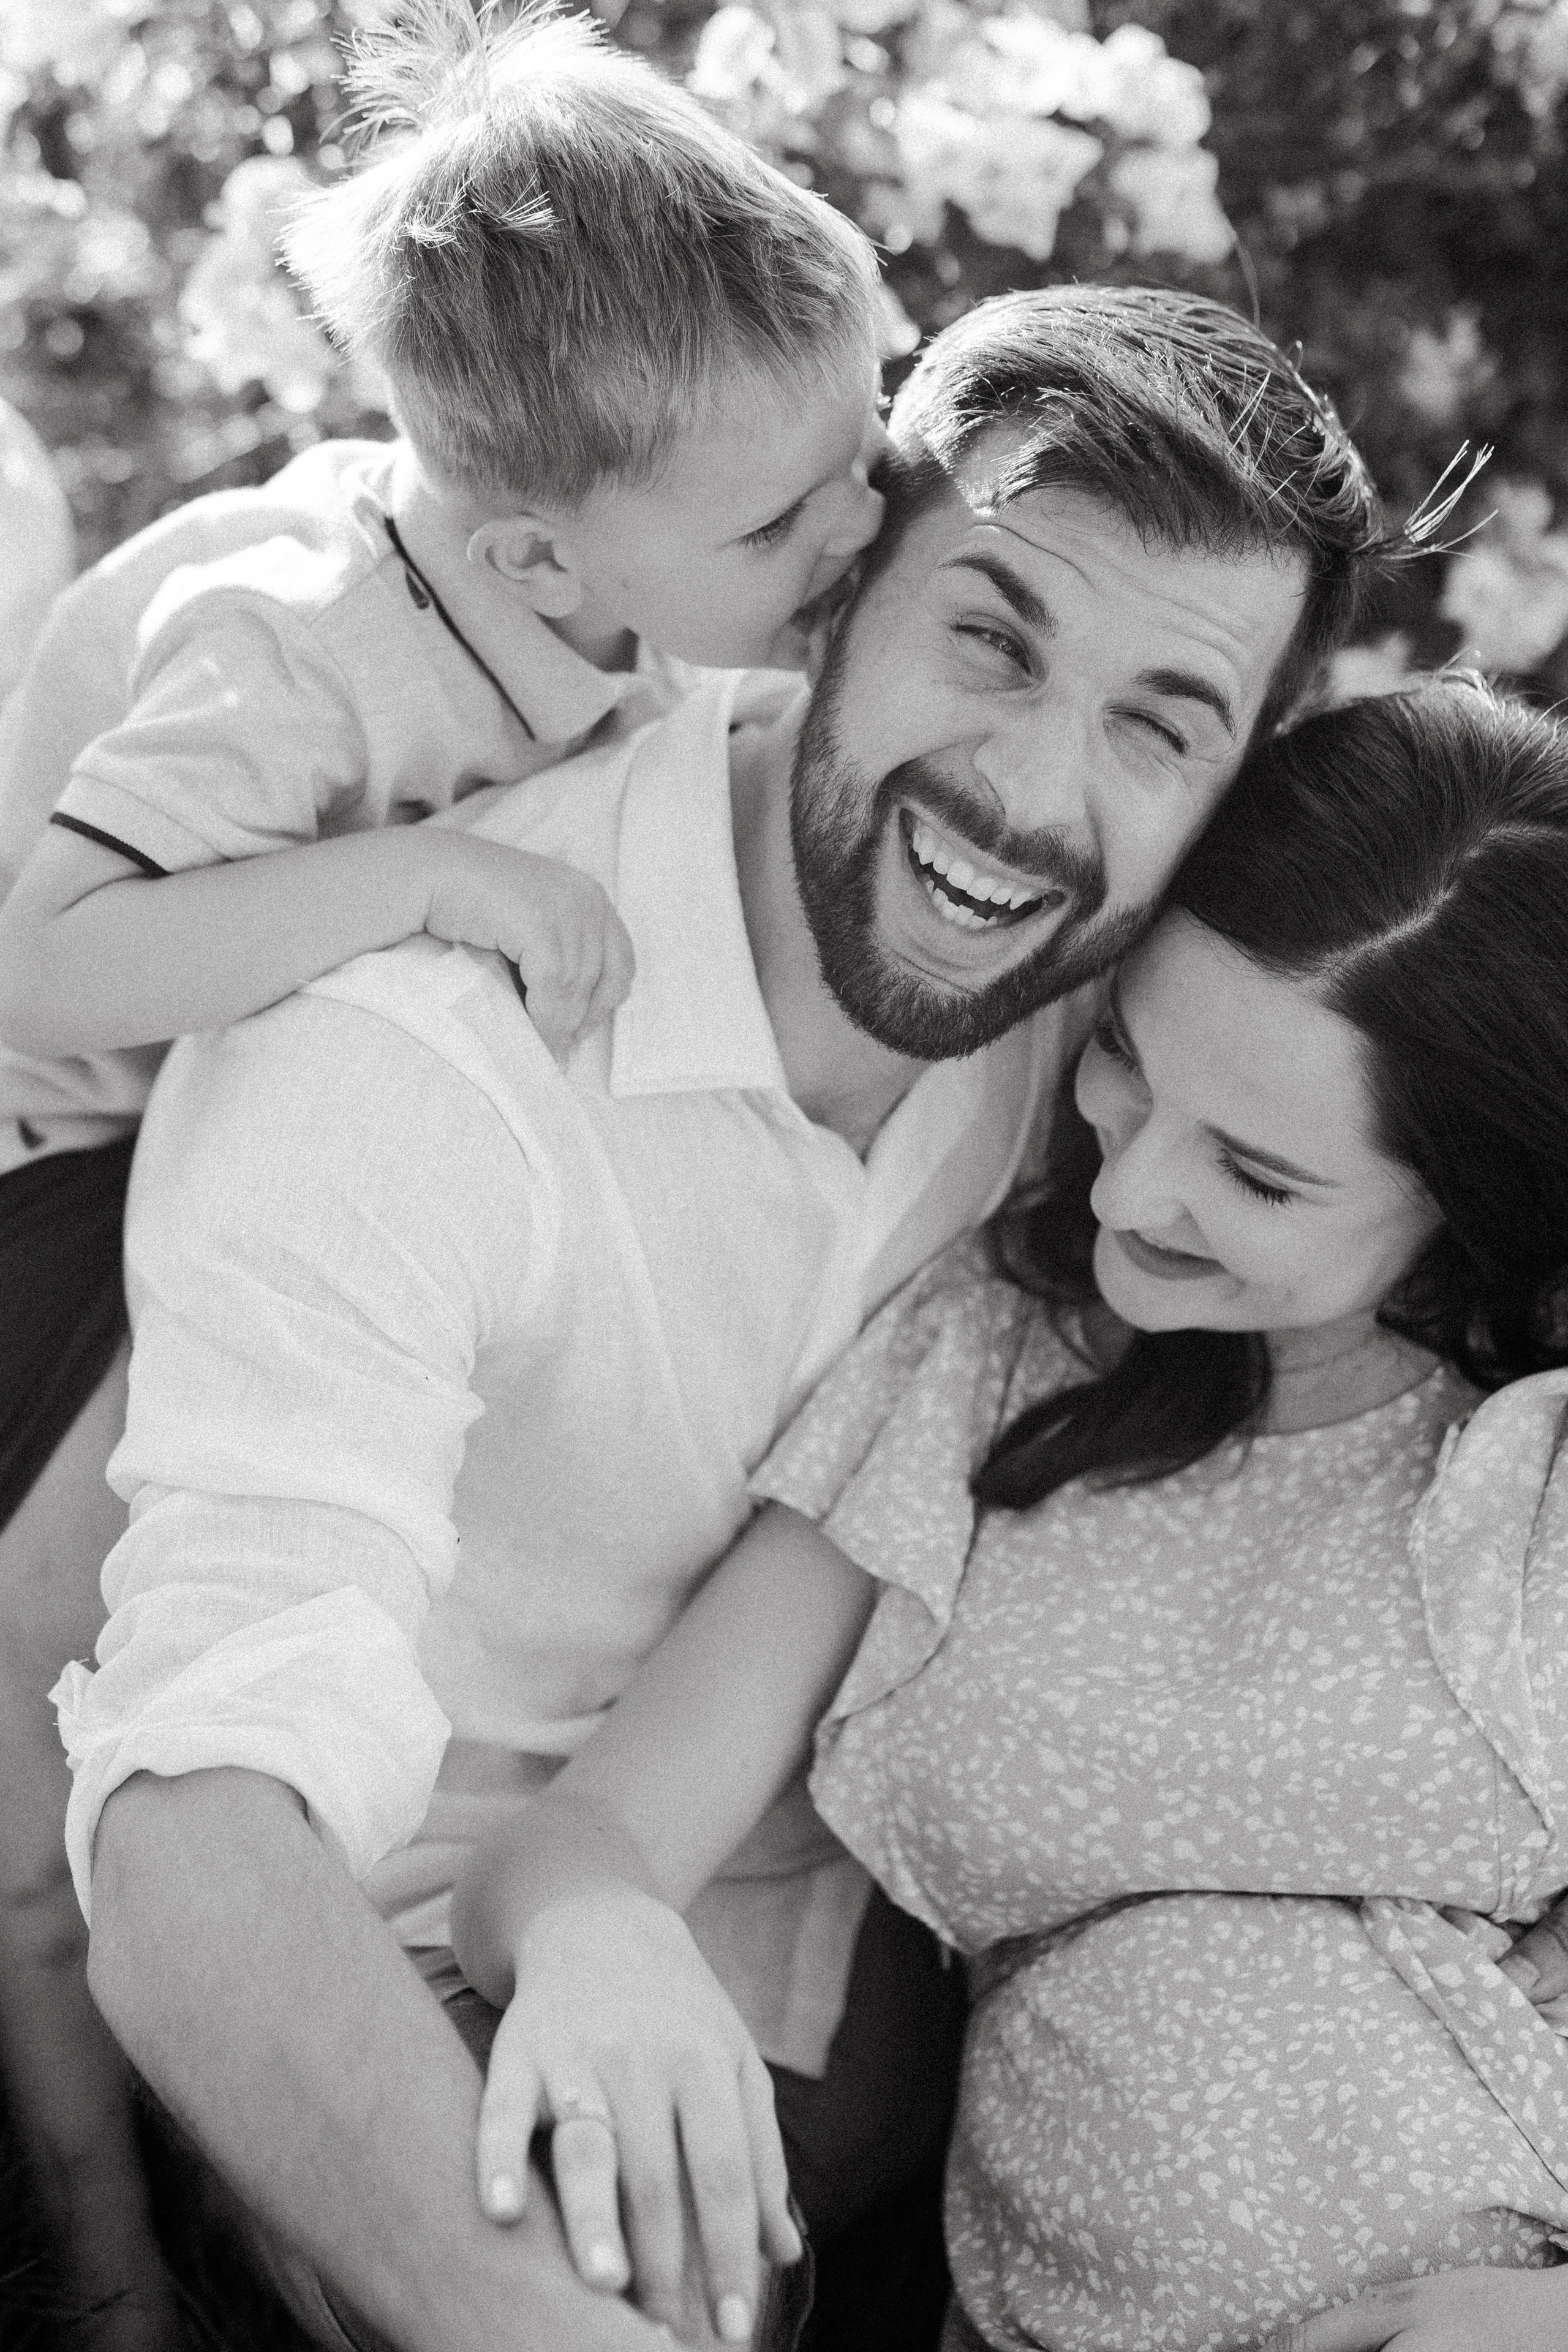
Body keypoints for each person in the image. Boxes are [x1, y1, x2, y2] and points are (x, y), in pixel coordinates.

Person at [50, 279, 1379, 2352]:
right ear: (843, 578)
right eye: (990, 636)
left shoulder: (1127, 1077)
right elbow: (197, 1837)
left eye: (1158, 721)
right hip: (432, 2009)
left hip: (894, 1970)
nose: (1034, 792)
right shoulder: (409, 1051)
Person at [0, 4, 884, 2335]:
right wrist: (420, 885)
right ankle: (96, 2263)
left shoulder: (606, 588)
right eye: (790, 523)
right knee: (34, 1805)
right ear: (528, 546)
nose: (862, 535)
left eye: (868, 458)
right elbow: (55, 963)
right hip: (59, 1207)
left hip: (208, 1149)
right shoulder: (304, 661)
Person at [448, 673, 1568, 2352]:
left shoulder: (1534, 1471)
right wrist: (599, 1938)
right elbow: (581, 1841)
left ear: (1468, 1204)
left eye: (1257, 1177)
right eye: (1125, 1053)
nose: (1126, 1187)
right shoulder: (986, 1359)